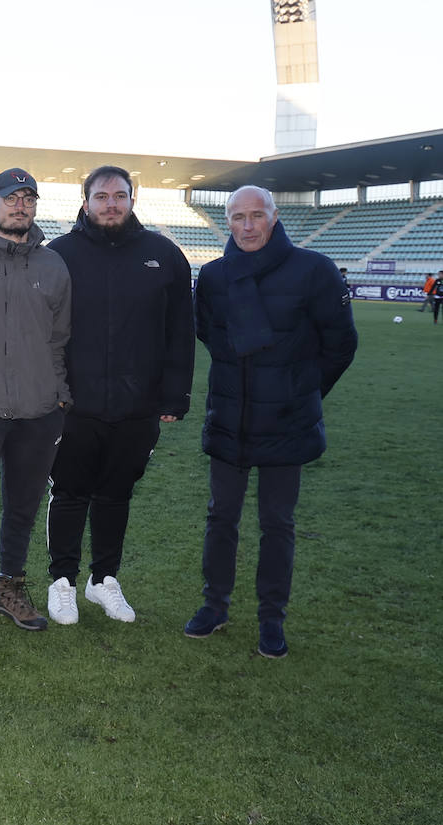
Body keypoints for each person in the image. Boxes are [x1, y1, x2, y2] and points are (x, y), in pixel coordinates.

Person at [185, 185, 357, 658]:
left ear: (274, 217)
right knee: (221, 518)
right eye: (237, 217)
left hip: (287, 422)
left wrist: (299, 393)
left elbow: (341, 344)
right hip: (230, 419)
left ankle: (271, 619)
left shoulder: (314, 269)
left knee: (277, 523)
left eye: (256, 216)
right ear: (228, 222)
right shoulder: (215, 276)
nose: (246, 226)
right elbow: (209, 337)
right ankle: (214, 606)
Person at [45, 165, 195, 625]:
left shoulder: (164, 255)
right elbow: (40, 331)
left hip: (137, 405)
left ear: (134, 198)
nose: (111, 204)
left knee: (116, 494)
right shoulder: (59, 254)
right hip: (73, 403)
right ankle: (63, 581)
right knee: (69, 492)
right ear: (85, 199)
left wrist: (175, 396)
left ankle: (103, 579)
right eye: (102, 196)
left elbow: (180, 334)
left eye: (119, 196)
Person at [0, 169, 71, 635]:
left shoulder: (54, 266)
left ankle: (12, 587)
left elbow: (61, 338)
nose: (19, 205)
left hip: (39, 409)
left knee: (23, 505)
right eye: (10, 198)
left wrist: (59, 395)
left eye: (28, 198)